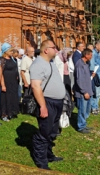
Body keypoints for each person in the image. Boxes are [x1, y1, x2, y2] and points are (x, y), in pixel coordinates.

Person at [29, 39, 67, 169]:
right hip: (47, 102)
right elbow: (35, 86)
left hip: (57, 102)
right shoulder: (38, 64)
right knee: (44, 133)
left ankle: (49, 154)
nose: (56, 50)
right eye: (53, 48)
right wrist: (43, 106)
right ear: (46, 50)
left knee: (52, 131)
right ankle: (41, 162)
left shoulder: (50, 62)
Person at [73, 48, 94, 133]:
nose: (91, 57)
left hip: (88, 91)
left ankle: (84, 124)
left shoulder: (86, 64)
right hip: (82, 93)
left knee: (86, 110)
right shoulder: (79, 64)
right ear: (86, 55)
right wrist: (84, 92)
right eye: (90, 55)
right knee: (82, 110)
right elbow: (79, 80)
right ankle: (81, 127)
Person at [0, 46, 20, 122]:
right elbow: (1, 73)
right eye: (10, 51)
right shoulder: (2, 60)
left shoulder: (13, 59)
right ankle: (4, 114)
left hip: (13, 82)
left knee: (12, 97)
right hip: (6, 81)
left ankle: (11, 112)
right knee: (5, 98)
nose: (12, 52)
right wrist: (3, 85)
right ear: (6, 51)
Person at [88, 42, 100, 115]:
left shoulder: (98, 53)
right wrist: (93, 74)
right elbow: (92, 65)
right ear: (96, 46)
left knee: (99, 93)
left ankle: (96, 107)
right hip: (96, 76)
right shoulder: (93, 53)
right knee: (95, 93)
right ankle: (93, 108)